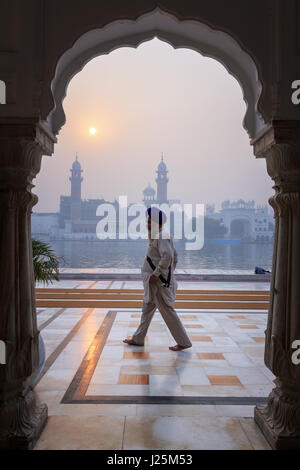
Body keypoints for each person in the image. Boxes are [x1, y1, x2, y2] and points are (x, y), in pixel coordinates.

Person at [123, 206, 192, 351]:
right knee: (146, 310)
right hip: (153, 284)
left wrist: (158, 274)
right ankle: (138, 339)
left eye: (149, 222)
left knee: (168, 312)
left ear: (156, 223)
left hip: (158, 284)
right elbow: (175, 257)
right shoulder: (158, 236)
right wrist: (167, 273)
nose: (147, 224)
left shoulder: (162, 236)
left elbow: (168, 256)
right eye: (147, 221)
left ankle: (184, 342)